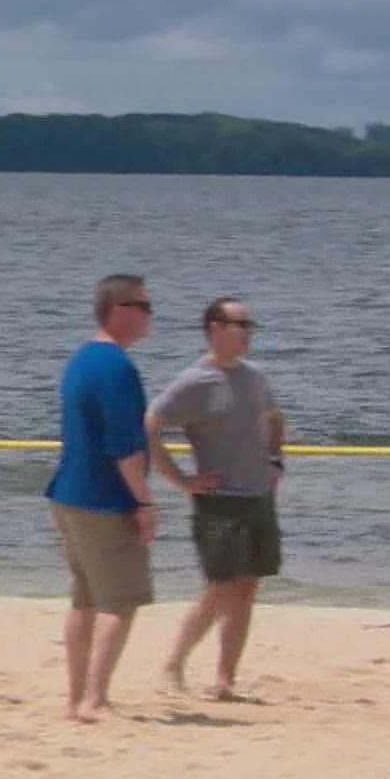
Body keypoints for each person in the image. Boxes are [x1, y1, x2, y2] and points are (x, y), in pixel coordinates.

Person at [146, 297, 286, 702]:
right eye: (238, 325)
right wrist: (180, 479)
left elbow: (275, 418)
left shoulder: (255, 377)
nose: (246, 332)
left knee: (247, 588)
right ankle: (175, 661)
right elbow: (151, 425)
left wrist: (276, 462)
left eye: (249, 325)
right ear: (213, 330)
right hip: (218, 500)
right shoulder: (195, 381)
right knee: (221, 588)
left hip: (258, 496)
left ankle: (225, 679)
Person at [45, 274, 158, 724]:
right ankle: (93, 698)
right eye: (144, 307)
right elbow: (123, 447)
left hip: (69, 494)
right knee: (119, 601)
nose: (150, 317)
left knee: (86, 599)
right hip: (101, 499)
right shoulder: (115, 367)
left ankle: (78, 699)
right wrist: (145, 503)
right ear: (120, 310)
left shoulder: (82, 360)